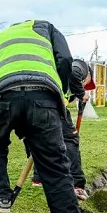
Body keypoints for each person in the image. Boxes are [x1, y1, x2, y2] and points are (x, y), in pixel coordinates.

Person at [0, 19, 87, 213]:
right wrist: (59, 92)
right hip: (43, 96)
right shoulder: (46, 28)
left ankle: (3, 196)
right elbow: (66, 61)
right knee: (55, 167)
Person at [30, 58, 95, 202]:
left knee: (42, 140)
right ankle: (77, 183)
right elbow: (74, 75)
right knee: (71, 140)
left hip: (38, 102)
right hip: (51, 105)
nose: (85, 86)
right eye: (87, 84)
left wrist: (76, 96)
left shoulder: (62, 76)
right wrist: (81, 93)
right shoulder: (80, 66)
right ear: (89, 75)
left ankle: (39, 178)